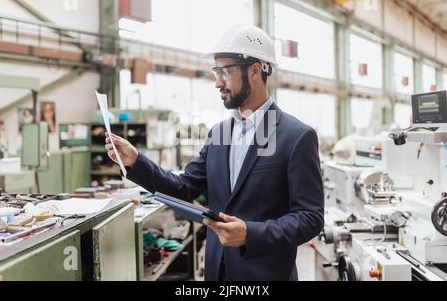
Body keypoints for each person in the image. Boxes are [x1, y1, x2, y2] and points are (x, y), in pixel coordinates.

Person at [105, 25, 324, 281]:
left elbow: (310, 217)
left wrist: (251, 233)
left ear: (256, 70)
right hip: (217, 272)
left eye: (226, 71)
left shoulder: (296, 136)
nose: (218, 82)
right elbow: (185, 187)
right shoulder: (219, 133)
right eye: (216, 71)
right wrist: (135, 162)